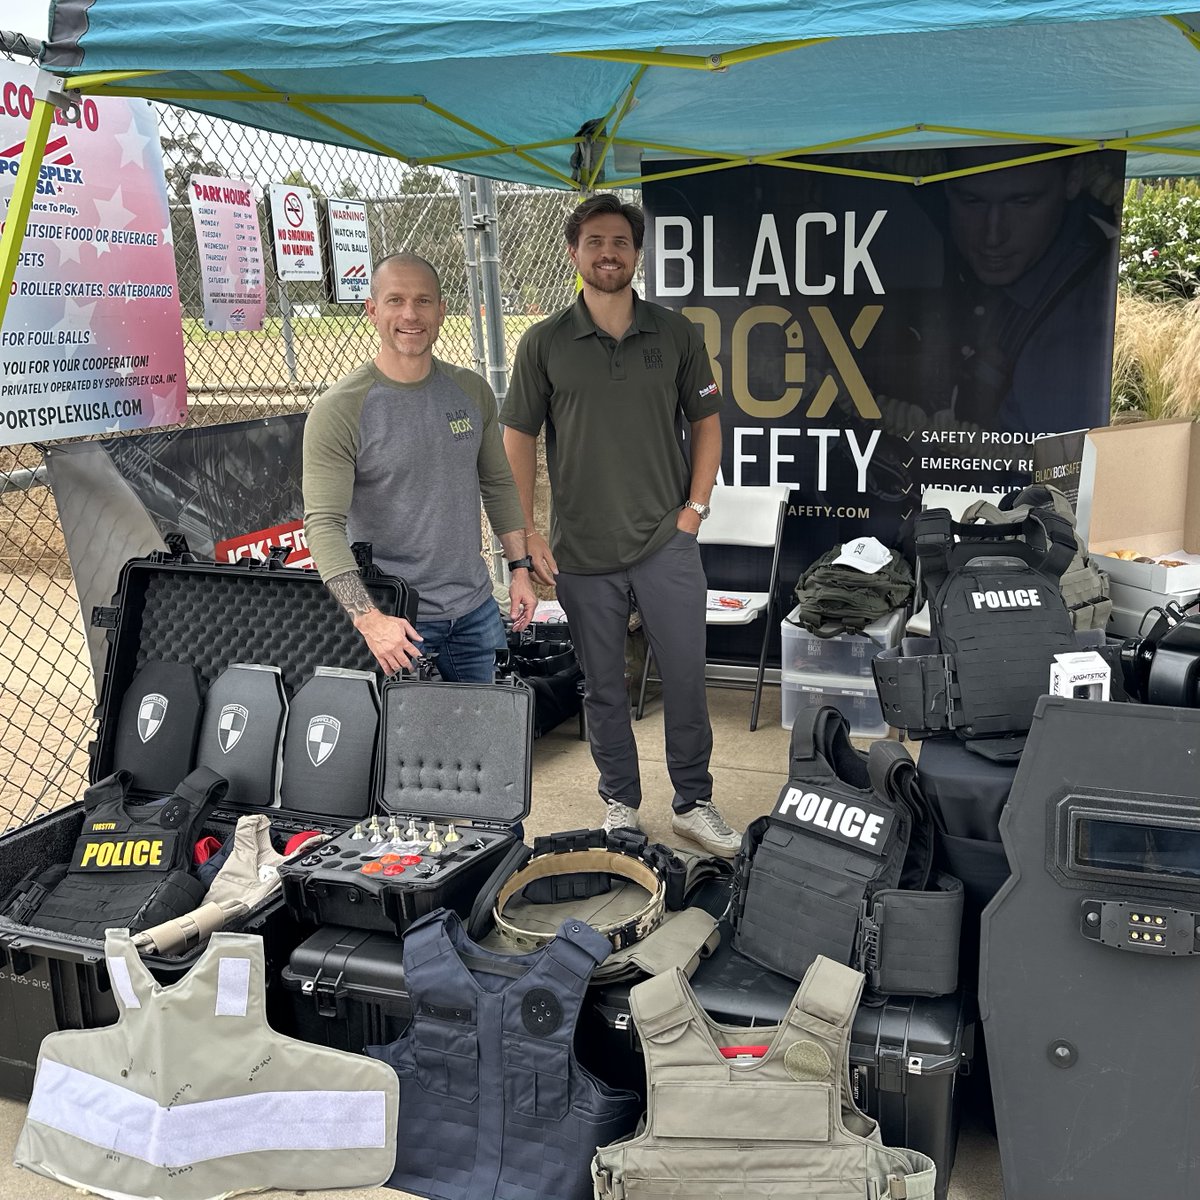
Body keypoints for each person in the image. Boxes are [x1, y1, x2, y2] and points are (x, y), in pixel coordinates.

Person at [500, 194, 740, 858]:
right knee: (602, 686)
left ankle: (693, 802)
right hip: (580, 550)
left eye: (621, 243)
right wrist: (527, 535)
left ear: (637, 254)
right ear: (574, 252)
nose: (609, 253)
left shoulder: (677, 334)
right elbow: (517, 440)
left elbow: (708, 426)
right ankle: (620, 804)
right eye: (595, 242)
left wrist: (694, 511)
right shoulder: (544, 342)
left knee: (687, 676)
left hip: (666, 540)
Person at [303, 252, 537, 680]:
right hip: (396, 621)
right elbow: (322, 525)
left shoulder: (470, 390)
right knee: (407, 749)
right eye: (395, 300)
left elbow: (499, 484)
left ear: (442, 310)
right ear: (372, 310)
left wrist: (520, 570)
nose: (410, 314)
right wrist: (368, 620)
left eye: (423, 301)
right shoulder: (340, 409)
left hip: (476, 613)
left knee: (482, 742)